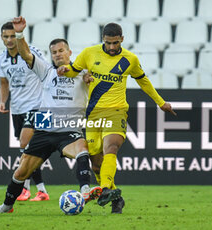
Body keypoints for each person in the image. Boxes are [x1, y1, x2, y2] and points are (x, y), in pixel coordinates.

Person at [0, 16, 101, 214]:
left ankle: (85, 190)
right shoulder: (46, 71)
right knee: (21, 172)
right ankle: (6, 206)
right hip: (45, 130)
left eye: (61, 51)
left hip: (69, 129)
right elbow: (26, 54)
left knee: (82, 148)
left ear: (70, 52)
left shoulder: (83, 72)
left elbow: (95, 79)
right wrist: (19, 34)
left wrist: (90, 78)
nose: (57, 55)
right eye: (54, 52)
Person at [57, 22, 177, 214]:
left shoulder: (130, 59)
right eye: (108, 43)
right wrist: (65, 70)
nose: (111, 47)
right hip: (94, 113)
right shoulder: (89, 53)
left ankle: (105, 189)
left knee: (111, 147)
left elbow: (143, 81)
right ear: (102, 40)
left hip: (116, 110)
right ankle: (116, 198)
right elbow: (74, 70)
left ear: (122, 39)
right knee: (96, 163)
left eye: (115, 43)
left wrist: (161, 102)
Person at [0, 21, 49, 201]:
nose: (10, 40)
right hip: (17, 108)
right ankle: (41, 190)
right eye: (6, 36)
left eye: (13, 36)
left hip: (37, 105)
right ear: (2, 38)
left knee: (25, 144)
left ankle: (24, 188)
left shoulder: (32, 52)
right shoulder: (2, 59)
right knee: (29, 150)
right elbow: (4, 83)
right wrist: (3, 101)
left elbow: (46, 72)